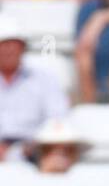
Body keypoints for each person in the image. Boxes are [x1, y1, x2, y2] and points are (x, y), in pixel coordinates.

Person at [0, 12, 69, 159]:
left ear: (23, 48)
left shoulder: (45, 79)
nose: (9, 50)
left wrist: (33, 145)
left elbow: (57, 120)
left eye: (14, 45)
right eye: (3, 45)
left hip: (34, 151)